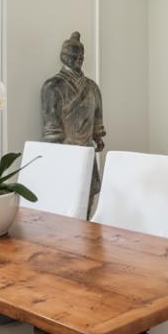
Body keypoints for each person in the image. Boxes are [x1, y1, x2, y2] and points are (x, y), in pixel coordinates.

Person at [40, 32, 105, 209]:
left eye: (81, 56)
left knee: (88, 199)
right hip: (64, 153)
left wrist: (98, 136)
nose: (78, 59)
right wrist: (55, 154)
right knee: (65, 201)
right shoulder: (52, 86)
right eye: (73, 55)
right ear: (63, 56)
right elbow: (51, 126)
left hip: (87, 150)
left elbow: (97, 115)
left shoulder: (92, 86)